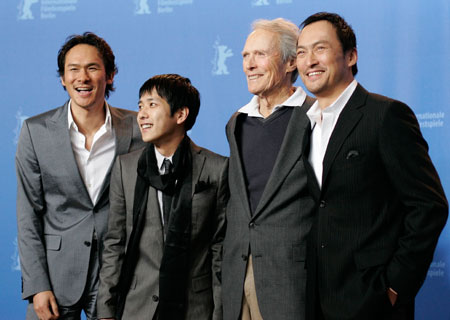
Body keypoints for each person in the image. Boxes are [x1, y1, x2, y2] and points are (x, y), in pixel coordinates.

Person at [296, 12, 448, 320]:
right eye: (301, 52)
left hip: (373, 301)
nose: (309, 61)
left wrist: (394, 287)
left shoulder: (386, 115)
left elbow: (429, 205)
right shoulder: (306, 125)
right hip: (318, 300)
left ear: (351, 56)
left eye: (320, 49)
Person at [16, 32, 144, 320]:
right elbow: (28, 215)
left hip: (118, 274)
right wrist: (37, 286)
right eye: (73, 69)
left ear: (109, 75)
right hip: (56, 276)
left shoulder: (139, 129)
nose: (82, 78)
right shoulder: (35, 132)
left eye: (93, 68)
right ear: (63, 78)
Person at [96, 74, 228, 320]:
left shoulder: (216, 169)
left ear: (180, 115)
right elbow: (115, 242)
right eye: (140, 106)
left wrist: (220, 313)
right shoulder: (126, 168)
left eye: (152, 105)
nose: (142, 114)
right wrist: (105, 308)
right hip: (138, 307)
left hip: (195, 308)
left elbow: (219, 249)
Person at [222, 18, 315, 320]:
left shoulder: (315, 117)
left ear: (291, 62)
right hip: (236, 282)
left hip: (290, 278)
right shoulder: (237, 122)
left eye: (260, 54)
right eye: (245, 56)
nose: (249, 65)